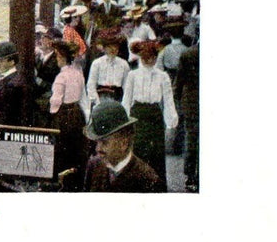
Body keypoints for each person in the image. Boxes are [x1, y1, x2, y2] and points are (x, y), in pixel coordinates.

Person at [122, 40, 178, 192]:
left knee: (155, 153)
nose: (149, 61)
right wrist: (124, 121)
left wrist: (171, 122)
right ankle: (136, 187)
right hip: (137, 114)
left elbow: (168, 99)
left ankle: (157, 187)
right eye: (145, 58)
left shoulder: (162, 76)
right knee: (138, 151)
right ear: (140, 57)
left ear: (155, 57)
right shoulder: (133, 75)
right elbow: (127, 99)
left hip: (154, 115)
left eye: (152, 57)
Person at [83, 100, 163, 193]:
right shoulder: (94, 165)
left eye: (104, 143)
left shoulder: (148, 179)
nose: (97, 149)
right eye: (97, 142)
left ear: (123, 143)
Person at [48, 39, 91, 191]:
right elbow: (84, 99)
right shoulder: (78, 74)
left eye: (57, 57)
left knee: (62, 147)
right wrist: (86, 119)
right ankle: (76, 180)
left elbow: (56, 100)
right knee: (76, 148)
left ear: (61, 57)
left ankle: (63, 179)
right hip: (77, 113)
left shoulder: (61, 77)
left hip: (64, 115)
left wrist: (52, 113)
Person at [0, 41, 33, 127]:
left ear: (12, 62)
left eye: (1, 61)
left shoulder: (13, 84)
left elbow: (0, 111)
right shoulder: (12, 79)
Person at [174, 36, 200, 193]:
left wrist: (177, 99)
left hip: (191, 101)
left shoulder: (188, 54)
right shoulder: (189, 54)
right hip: (194, 101)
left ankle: (190, 175)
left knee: (191, 139)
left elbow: (180, 80)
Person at [86, 29, 131, 107]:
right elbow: (91, 85)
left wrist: (124, 105)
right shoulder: (97, 63)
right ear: (104, 48)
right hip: (100, 98)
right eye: (110, 47)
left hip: (117, 100)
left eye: (116, 47)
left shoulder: (124, 64)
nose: (113, 50)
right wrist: (97, 104)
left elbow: (127, 87)